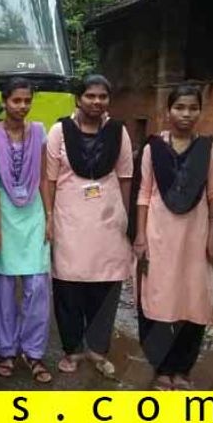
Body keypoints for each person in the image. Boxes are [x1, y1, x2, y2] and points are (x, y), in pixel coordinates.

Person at [133, 85, 213, 390]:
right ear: (168, 110)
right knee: (156, 300)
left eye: (192, 108)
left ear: (200, 111)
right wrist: (141, 237)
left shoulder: (208, 149)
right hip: (159, 235)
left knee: (193, 302)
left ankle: (182, 370)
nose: (186, 114)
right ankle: (161, 369)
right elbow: (144, 195)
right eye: (180, 108)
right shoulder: (153, 149)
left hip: (195, 239)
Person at [44, 74, 133, 377]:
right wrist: (48, 218)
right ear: (78, 99)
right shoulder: (59, 131)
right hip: (69, 220)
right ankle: (72, 350)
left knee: (105, 286)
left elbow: (125, 178)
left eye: (102, 97)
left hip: (107, 223)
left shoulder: (118, 133)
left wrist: (127, 221)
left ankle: (97, 350)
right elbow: (50, 179)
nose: (96, 102)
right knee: (68, 287)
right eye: (90, 96)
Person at [0, 77, 53, 384]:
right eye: (16, 101)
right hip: (2, 213)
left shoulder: (39, 131)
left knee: (37, 286)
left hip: (33, 213)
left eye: (27, 101)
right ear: (4, 101)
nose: (22, 106)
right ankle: (6, 351)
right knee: (3, 287)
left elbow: (43, 177)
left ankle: (34, 352)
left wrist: (50, 216)